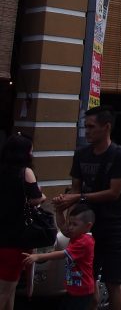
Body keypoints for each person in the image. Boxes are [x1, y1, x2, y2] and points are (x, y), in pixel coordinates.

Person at [54, 107, 121, 310]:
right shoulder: (81, 154)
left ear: (106, 128)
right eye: (84, 126)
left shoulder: (120, 155)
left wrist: (77, 197)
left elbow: (114, 193)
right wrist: (65, 206)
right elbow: (76, 188)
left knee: (113, 279)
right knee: (86, 275)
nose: (86, 131)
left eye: (91, 127)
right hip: (90, 219)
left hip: (115, 220)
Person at [0, 133, 46, 310]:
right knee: (6, 289)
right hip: (15, 238)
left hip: (2, 235)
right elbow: (35, 198)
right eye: (31, 150)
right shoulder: (25, 172)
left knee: (9, 290)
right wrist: (41, 195)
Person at [23, 204, 95, 310]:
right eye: (70, 223)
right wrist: (59, 210)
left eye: (74, 224)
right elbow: (62, 226)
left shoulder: (85, 241)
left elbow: (62, 254)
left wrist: (38, 257)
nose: (70, 227)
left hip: (82, 291)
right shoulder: (76, 235)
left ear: (88, 226)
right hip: (74, 289)